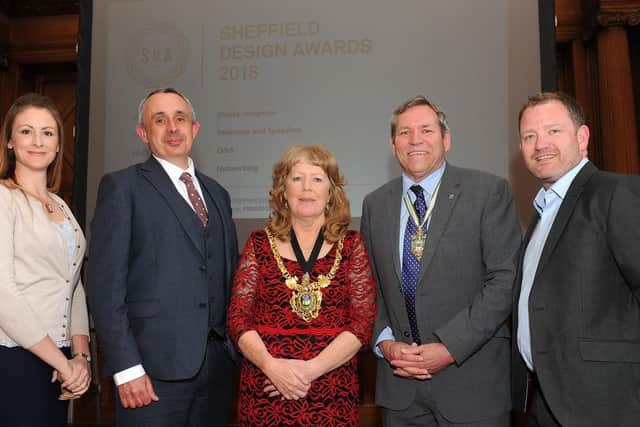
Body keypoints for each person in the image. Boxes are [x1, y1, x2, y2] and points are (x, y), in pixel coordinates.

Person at [361, 95, 521, 426]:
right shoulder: (375, 204)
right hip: (399, 387)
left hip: (471, 382)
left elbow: (504, 280)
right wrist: (385, 343)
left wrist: (449, 347)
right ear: (393, 146)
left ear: (446, 139)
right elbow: (366, 286)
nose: (415, 140)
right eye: (404, 132)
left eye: (426, 130)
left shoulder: (488, 192)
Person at [87, 88, 238, 427]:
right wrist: (126, 368)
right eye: (160, 120)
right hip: (149, 376)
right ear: (143, 133)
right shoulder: (122, 188)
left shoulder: (217, 193)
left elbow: (228, 276)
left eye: (180, 118)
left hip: (217, 373)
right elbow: (104, 287)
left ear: (194, 129)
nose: (172, 128)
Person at [513, 92, 640, 426]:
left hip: (606, 404)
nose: (541, 144)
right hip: (545, 400)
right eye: (529, 136)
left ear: (582, 137)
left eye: (553, 131)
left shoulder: (616, 194)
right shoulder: (542, 212)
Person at [227, 144, 376, 426]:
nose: (307, 187)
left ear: (331, 192)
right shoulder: (258, 243)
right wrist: (273, 368)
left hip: (332, 391)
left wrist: (309, 371)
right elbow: (238, 320)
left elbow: (362, 324)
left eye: (317, 179)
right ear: (283, 191)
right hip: (266, 390)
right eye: (297, 178)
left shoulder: (352, 245)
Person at [0, 93, 91, 427]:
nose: (38, 141)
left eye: (48, 133)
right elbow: (4, 295)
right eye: (26, 131)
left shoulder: (61, 206)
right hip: (15, 358)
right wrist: (64, 364)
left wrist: (80, 357)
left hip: (59, 362)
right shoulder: (3, 199)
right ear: (9, 141)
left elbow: (74, 285)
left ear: (58, 145)